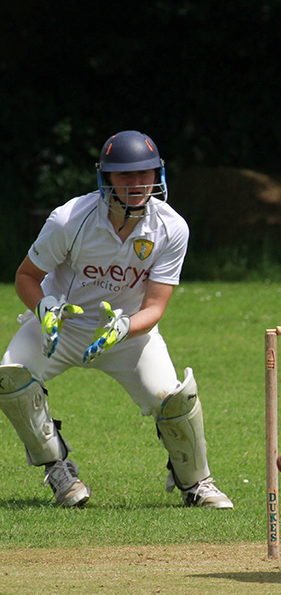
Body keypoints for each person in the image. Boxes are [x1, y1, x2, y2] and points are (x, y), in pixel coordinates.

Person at [0, 130, 234, 508]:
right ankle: (59, 471)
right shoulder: (69, 219)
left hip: (127, 333)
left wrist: (126, 327)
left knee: (174, 398)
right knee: (10, 377)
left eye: (146, 173)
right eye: (125, 175)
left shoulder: (171, 228)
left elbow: (155, 307)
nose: (138, 184)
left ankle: (197, 484)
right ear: (105, 178)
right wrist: (44, 310)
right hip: (61, 330)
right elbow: (26, 277)